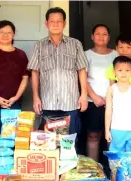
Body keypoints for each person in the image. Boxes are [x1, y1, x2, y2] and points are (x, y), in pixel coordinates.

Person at [28, 7, 88, 135]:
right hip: (47, 102)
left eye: (59, 21)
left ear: (64, 23)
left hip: (71, 102)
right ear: (46, 23)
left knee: (70, 142)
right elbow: (35, 72)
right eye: (52, 21)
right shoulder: (39, 45)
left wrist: (83, 95)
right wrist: (35, 97)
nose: (55, 24)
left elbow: (82, 70)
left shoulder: (75, 44)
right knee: (48, 142)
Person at [82, 24, 118, 161]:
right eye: (97, 34)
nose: (101, 37)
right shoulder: (86, 55)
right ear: (92, 36)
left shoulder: (115, 54)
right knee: (93, 135)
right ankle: (94, 169)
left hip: (113, 101)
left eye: (104, 34)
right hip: (93, 102)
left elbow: (119, 76)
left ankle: (113, 171)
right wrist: (94, 97)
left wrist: (111, 97)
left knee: (112, 135)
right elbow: (83, 79)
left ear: (109, 37)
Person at [105, 56, 131, 152]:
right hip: (116, 129)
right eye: (120, 70)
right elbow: (108, 111)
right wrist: (107, 130)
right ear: (114, 72)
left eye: (127, 70)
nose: (123, 73)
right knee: (116, 160)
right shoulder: (111, 89)